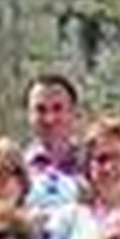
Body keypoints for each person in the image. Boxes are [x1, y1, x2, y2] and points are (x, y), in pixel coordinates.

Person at [23, 72, 84, 206]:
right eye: (40, 109)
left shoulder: (92, 168)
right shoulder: (18, 170)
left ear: (73, 113)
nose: (49, 119)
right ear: (29, 115)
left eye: (58, 108)